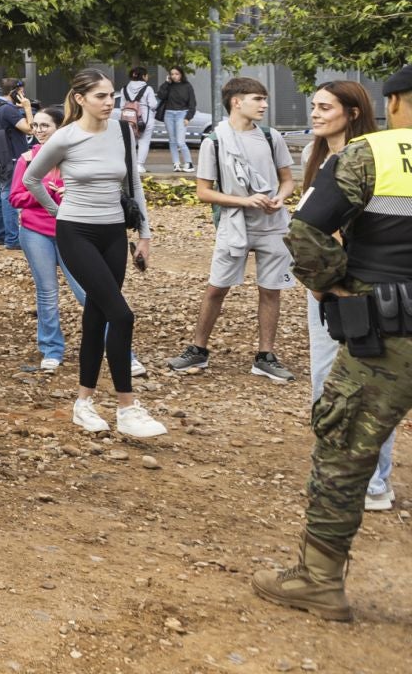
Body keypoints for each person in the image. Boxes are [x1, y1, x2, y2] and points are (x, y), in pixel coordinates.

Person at [252, 64, 412, 622]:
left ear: (394, 103)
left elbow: (305, 230)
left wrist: (333, 285)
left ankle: (318, 580)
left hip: (387, 334)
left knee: (344, 450)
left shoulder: (373, 155)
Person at [22, 69, 167, 439]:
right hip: (76, 233)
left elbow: (134, 185)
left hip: (113, 233)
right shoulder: (65, 137)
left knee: (97, 316)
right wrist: (57, 211)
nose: (109, 102)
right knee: (122, 315)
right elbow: (30, 179)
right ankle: (127, 407)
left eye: (111, 95)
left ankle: (83, 403)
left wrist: (145, 235)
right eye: (100, 96)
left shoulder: (121, 131)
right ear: (80, 98)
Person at [298, 82, 393, 512]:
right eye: (313, 106)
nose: (315, 114)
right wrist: (320, 283)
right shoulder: (314, 155)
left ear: (353, 112)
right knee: (325, 380)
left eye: (325, 107)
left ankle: (374, 482)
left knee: (370, 386)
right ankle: (338, 475)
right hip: (324, 287)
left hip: (363, 286)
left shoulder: (372, 157)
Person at [166, 76, 298, 381]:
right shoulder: (214, 140)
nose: (264, 105)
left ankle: (265, 356)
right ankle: (198, 349)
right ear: (236, 102)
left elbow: (288, 181)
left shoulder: (271, 137)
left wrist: (280, 198)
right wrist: (244, 201)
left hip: (273, 225)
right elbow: (203, 192)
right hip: (234, 225)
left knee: (271, 290)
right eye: (258, 99)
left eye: (264, 99)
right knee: (217, 288)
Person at [10, 106, 86, 371]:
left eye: (45, 126)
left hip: (70, 232)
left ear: (59, 128)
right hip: (35, 232)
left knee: (87, 291)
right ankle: (51, 349)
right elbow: (15, 197)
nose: (39, 130)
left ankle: (116, 346)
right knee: (47, 292)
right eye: (36, 125)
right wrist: (41, 191)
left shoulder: (73, 158)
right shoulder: (27, 159)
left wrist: (67, 194)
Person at [0, 79, 35, 248]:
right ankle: (12, 239)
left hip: (0, 156)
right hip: (11, 157)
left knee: (0, 193)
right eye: (22, 91)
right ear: (14, 91)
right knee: (8, 194)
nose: (24, 95)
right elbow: (30, 128)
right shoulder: (9, 110)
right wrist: (27, 108)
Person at [158, 67, 199, 172]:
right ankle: (176, 164)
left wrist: (188, 117)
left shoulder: (187, 86)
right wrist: (166, 83)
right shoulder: (168, 85)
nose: (174, 76)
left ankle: (189, 164)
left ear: (181, 74)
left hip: (182, 114)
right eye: (172, 74)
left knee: (180, 141)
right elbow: (161, 95)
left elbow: (192, 103)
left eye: (176, 74)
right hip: (168, 114)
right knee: (172, 140)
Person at [118, 66, 158, 172]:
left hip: (128, 119)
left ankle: (128, 164)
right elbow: (153, 105)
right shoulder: (148, 89)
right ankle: (139, 165)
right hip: (144, 120)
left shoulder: (124, 89)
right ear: (143, 76)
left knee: (130, 142)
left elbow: (122, 106)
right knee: (143, 142)